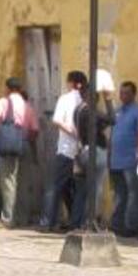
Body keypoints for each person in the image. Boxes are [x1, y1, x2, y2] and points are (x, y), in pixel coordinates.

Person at [40, 71, 87, 233]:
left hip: (66, 149)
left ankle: (47, 222)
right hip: (81, 151)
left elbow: (57, 120)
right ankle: (75, 221)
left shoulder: (66, 98)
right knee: (73, 188)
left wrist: (73, 133)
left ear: (71, 83)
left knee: (55, 186)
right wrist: (79, 135)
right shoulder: (86, 100)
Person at [0, 78, 38, 228]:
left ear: (7, 88)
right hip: (25, 143)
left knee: (8, 181)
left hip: (8, 144)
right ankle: (22, 218)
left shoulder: (4, 102)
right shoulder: (27, 106)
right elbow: (35, 129)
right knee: (23, 182)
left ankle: (8, 218)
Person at [71, 83, 114, 230]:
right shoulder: (92, 111)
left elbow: (95, 126)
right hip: (95, 152)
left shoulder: (78, 110)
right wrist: (108, 99)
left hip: (83, 151)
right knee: (96, 188)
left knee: (82, 190)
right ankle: (90, 222)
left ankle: (76, 222)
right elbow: (112, 120)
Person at [108, 80, 138, 238]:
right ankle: (116, 224)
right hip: (115, 159)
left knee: (133, 194)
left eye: (127, 93)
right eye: (121, 93)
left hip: (131, 159)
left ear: (133, 94)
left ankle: (131, 225)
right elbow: (112, 134)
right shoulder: (117, 112)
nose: (123, 96)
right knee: (119, 194)